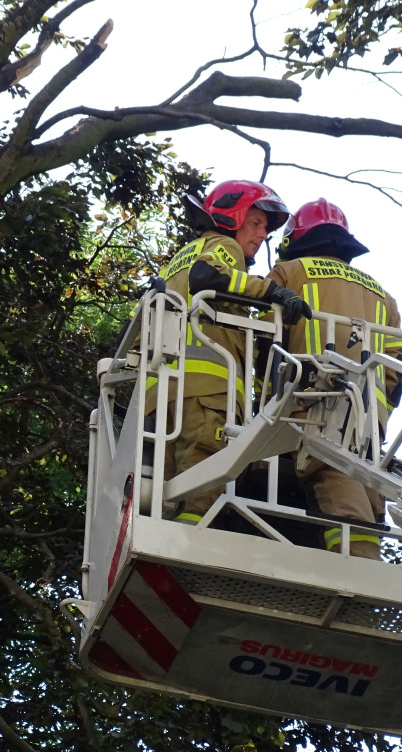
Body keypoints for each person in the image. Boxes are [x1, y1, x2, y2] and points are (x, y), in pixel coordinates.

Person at [144, 179, 311, 524]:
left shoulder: (178, 259)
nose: (262, 233)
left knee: (166, 493)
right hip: (206, 391)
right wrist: (272, 292)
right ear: (232, 216)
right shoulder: (224, 246)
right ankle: (186, 554)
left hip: (160, 395)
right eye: (255, 223)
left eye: (265, 227)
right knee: (203, 481)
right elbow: (208, 276)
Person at [266, 198, 402, 559]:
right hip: (368, 422)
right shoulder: (383, 296)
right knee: (367, 494)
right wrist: (379, 412)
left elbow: (264, 342)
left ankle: (359, 574)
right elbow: (395, 371)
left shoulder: (289, 273)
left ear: (297, 238)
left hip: (310, 406)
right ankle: (367, 571)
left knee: (336, 487)